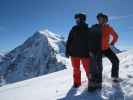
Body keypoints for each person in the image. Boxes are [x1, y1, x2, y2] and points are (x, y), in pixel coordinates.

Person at [65, 13, 91, 88]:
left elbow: (91, 42)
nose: (76, 21)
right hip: (74, 54)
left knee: (88, 69)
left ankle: (92, 82)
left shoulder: (88, 29)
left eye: (78, 19)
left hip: (85, 54)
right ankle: (77, 83)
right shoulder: (73, 29)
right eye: (76, 19)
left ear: (82, 19)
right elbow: (69, 40)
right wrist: (67, 50)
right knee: (76, 69)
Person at [101, 14, 120, 82]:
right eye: (101, 20)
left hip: (106, 49)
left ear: (106, 21)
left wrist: (112, 43)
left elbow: (116, 36)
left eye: (104, 20)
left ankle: (114, 77)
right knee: (98, 65)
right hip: (98, 49)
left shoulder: (109, 28)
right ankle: (97, 79)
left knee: (116, 61)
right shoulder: (97, 28)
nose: (102, 21)